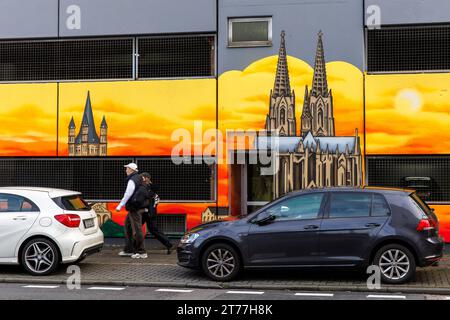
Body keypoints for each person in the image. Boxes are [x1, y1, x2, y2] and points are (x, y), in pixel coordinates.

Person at [116, 163, 147, 259]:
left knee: (137, 229)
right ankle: (129, 249)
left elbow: (128, 193)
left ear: (132, 170)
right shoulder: (138, 178)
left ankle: (141, 252)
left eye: (127, 169)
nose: (126, 170)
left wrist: (120, 205)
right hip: (136, 207)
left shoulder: (132, 180)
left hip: (135, 208)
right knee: (128, 227)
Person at [140, 172, 174, 254]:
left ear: (146, 178)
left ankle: (169, 244)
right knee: (135, 228)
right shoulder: (146, 186)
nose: (141, 179)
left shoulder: (151, 188)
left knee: (152, 230)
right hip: (145, 212)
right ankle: (134, 247)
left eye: (142, 178)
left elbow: (148, 196)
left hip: (149, 212)